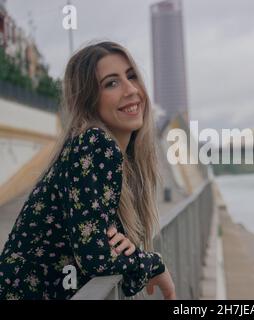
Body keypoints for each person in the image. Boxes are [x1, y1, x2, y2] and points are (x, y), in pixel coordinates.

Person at [0, 41, 176, 300]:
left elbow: (96, 251)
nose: (131, 90)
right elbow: (96, 259)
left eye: (131, 77)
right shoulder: (96, 145)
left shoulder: (97, 150)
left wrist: (124, 251)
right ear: (89, 100)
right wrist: (153, 264)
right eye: (111, 83)